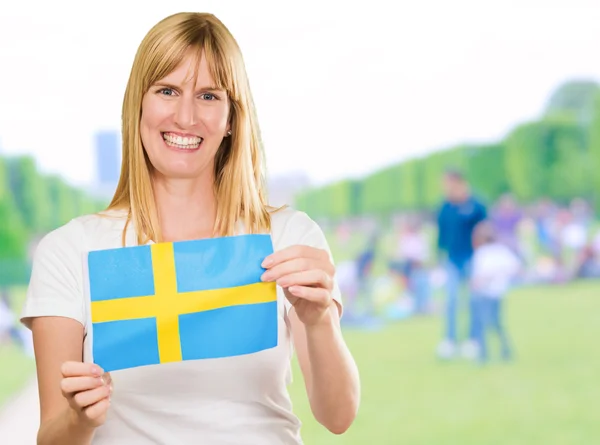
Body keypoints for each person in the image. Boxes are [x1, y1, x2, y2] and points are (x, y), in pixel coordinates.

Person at [20, 12, 359, 445]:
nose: (185, 116)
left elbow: (338, 416)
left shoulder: (287, 238)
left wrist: (320, 321)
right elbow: (52, 437)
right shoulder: (70, 251)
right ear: (137, 105)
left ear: (233, 118)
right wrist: (80, 421)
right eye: (167, 90)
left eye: (208, 96)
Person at [435, 169, 487, 359]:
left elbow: (485, 230)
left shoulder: (476, 205)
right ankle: (450, 339)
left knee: (474, 300)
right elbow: (441, 235)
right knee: (452, 300)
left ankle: (473, 339)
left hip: (473, 258)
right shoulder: (444, 207)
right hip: (452, 259)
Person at [470, 221, 521, 363]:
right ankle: (504, 349)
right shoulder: (502, 251)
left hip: (484, 294)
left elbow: (478, 277)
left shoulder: (482, 253)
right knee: (496, 323)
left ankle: (483, 354)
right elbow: (516, 268)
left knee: (481, 324)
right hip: (498, 293)